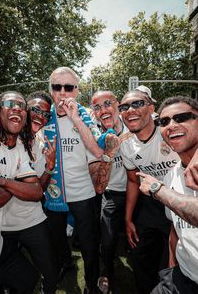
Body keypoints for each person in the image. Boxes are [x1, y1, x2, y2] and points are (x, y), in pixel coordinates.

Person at [119, 85, 198, 294]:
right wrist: (128, 219)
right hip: (156, 206)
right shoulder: (127, 146)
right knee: (143, 255)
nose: (172, 125)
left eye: (137, 103)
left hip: (162, 193)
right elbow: (133, 181)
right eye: (165, 121)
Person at [44, 66, 103, 294]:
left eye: (68, 87)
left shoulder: (85, 115)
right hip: (52, 192)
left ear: (77, 91)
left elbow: (98, 151)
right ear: (50, 90)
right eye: (57, 87)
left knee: (89, 244)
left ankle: (91, 283)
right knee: (56, 239)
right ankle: (66, 264)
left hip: (83, 193)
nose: (63, 92)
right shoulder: (42, 115)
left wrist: (75, 118)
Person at [0, 91, 43, 294]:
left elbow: (37, 191)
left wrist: (4, 182)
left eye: (21, 106)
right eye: (9, 103)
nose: (17, 108)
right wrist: (17, 184)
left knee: (27, 278)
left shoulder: (20, 149)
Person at [1, 91, 58, 294]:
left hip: (32, 219)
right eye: (35, 110)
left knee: (50, 270)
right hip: (1, 224)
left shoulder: (42, 145)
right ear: (24, 110)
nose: (40, 117)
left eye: (46, 114)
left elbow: (39, 190)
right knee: (9, 277)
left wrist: (50, 167)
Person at [89, 90, 129, 293]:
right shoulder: (92, 135)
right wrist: (109, 152)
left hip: (137, 192)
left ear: (118, 104)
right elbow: (98, 185)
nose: (103, 110)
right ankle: (107, 272)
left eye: (107, 104)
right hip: (111, 192)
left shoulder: (134, 122)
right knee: (108, 239)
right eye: (97, 107)